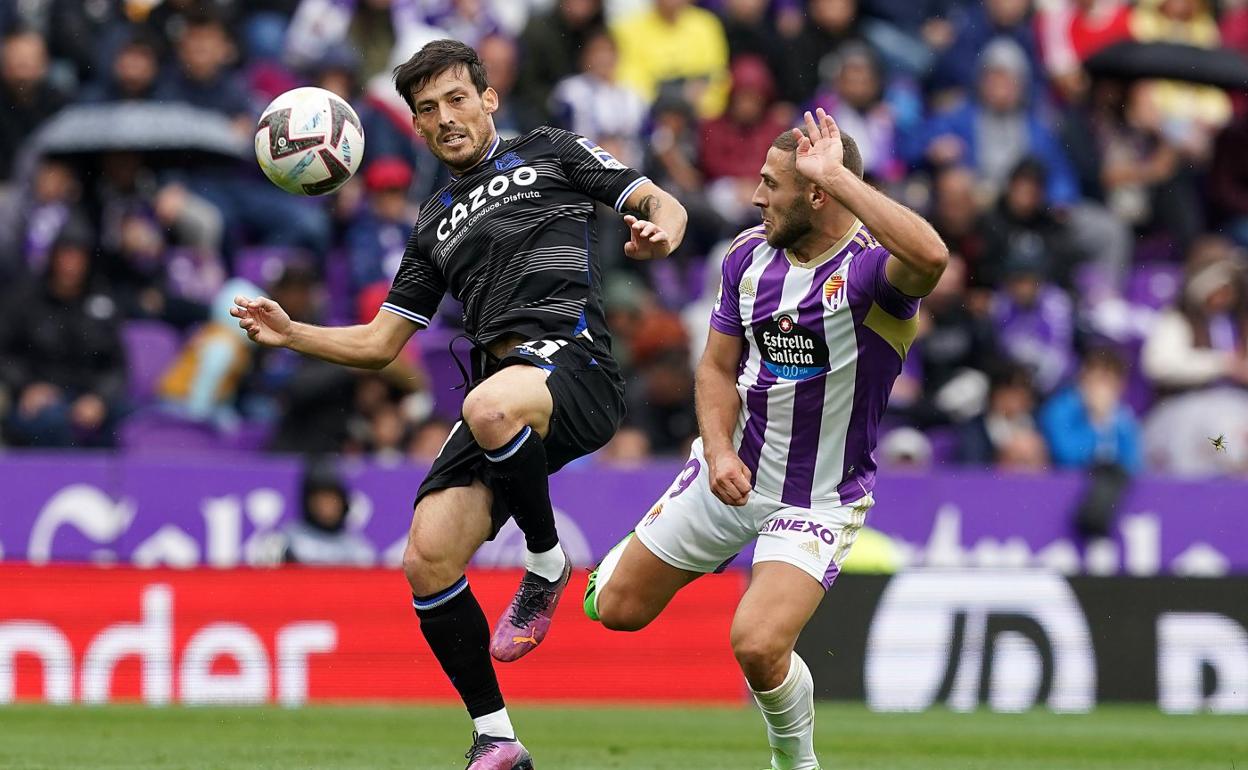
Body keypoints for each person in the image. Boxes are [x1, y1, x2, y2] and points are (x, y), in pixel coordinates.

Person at [232, 39, 686, 770]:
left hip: (577, 366)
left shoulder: (553, 150)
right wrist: (293, 335)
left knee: (485, 407)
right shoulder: (432, 221)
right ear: (413, 125)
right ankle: (497, 736)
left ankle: (545, 566)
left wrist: (663, 228)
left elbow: (655, 199)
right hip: (505, 395)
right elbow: (382, 343)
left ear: (487, 99)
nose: (445, 118)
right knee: (427, 558)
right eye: (426, 109)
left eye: (455, 99)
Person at [584, 109, 947, 770]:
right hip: (731, 472)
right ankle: (653, 545)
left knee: (755, 644)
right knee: (615, 611)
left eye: (770, 184)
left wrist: (840, 177)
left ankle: (794, 761)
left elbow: (931, 255)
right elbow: (717, 368)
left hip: (818, 498)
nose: (755, 197)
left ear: (817, 191)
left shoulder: (870, 274)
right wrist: (718, 451)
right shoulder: (748, 257)